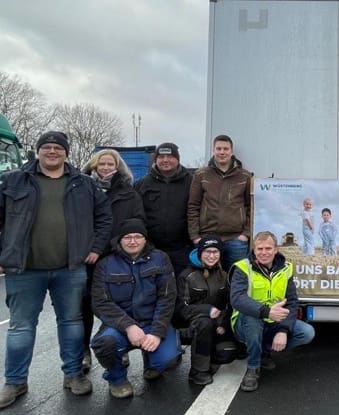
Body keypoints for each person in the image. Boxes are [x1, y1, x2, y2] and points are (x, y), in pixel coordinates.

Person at [0, 131, 112, 411]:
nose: (52, 152)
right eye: (46, 147)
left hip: (70, 268)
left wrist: (96, 247)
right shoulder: (12, 181)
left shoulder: (83, 184)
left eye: (57, 148)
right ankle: (15, 382)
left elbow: (104, 218)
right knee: (21, 327)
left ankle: (73, 375)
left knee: (72, 323)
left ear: (66, 153)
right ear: (37, 151)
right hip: (24, 270)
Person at [89, 219, 181, 398]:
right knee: (104, 344)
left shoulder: (161, 259)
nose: (133, 241)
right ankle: (117, 378)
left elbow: (167, 298)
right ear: (120, 240)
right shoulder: (105, 264)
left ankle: (152, 363)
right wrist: (129, 326)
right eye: (128, 237)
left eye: (138, 237)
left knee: (168, 360)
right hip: (120, 326)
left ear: (145, 239)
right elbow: (100, 303)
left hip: (152, 323)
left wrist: (156, 332)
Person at [80, 148, 146, 373]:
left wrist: (121, 247)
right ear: (94, 166)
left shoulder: (129, 193)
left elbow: (137, 221)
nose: (106, 168)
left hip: (116, 256)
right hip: (86, 257)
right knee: (84, 306)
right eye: (102, 164)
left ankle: (119, 346)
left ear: (118, 168)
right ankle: (83, 351)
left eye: (111, 164)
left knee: (117, 304)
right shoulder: (82, 189)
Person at [230, 231, 316, 392]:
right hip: (246, 322)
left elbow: (291, 302)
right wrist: (266, 311)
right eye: (260, 249)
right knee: (253, 319)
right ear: (254, 250)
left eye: (268, 248)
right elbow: (237, 299)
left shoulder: (286, 268)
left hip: (273, 321)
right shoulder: (242, 267)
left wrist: (283, 329)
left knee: (306, 333)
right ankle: (253, 367)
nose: (264, 253)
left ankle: (263, 350)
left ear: (276, 249)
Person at [188, 134, 252, 271]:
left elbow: (250, 207)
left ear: (231, 151)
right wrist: (195, 237)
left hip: (236, 239)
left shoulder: (245, 176)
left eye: (225, 149)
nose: (222, 152)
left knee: (237, 278)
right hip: (207, 238)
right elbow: (193, 206)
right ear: (213, 151)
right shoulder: (201, 175)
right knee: (209, 277)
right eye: (218, 149)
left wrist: (245, 234)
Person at [176, 235, 234, 385]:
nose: (211, 255)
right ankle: (198, 371)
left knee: (228, 352)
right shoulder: (187, 276)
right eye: (207, 252)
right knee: (204, 323)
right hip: (192, 325)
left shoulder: (224, 275)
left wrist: (223, 324)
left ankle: (211, 358)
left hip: (217, 324)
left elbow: (228, 304)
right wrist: (207, 310)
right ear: (200, 253)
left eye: (215, 252)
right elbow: (181, 308)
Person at [135, 142, 194, 276]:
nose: (165, 160)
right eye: (161, 157)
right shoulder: (142, 184)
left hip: (183, 249)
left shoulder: (191, 182)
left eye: (170, 156)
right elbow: (137, 215)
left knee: (181, 287)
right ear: (155, 160)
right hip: (152, 249)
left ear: (177, 159)